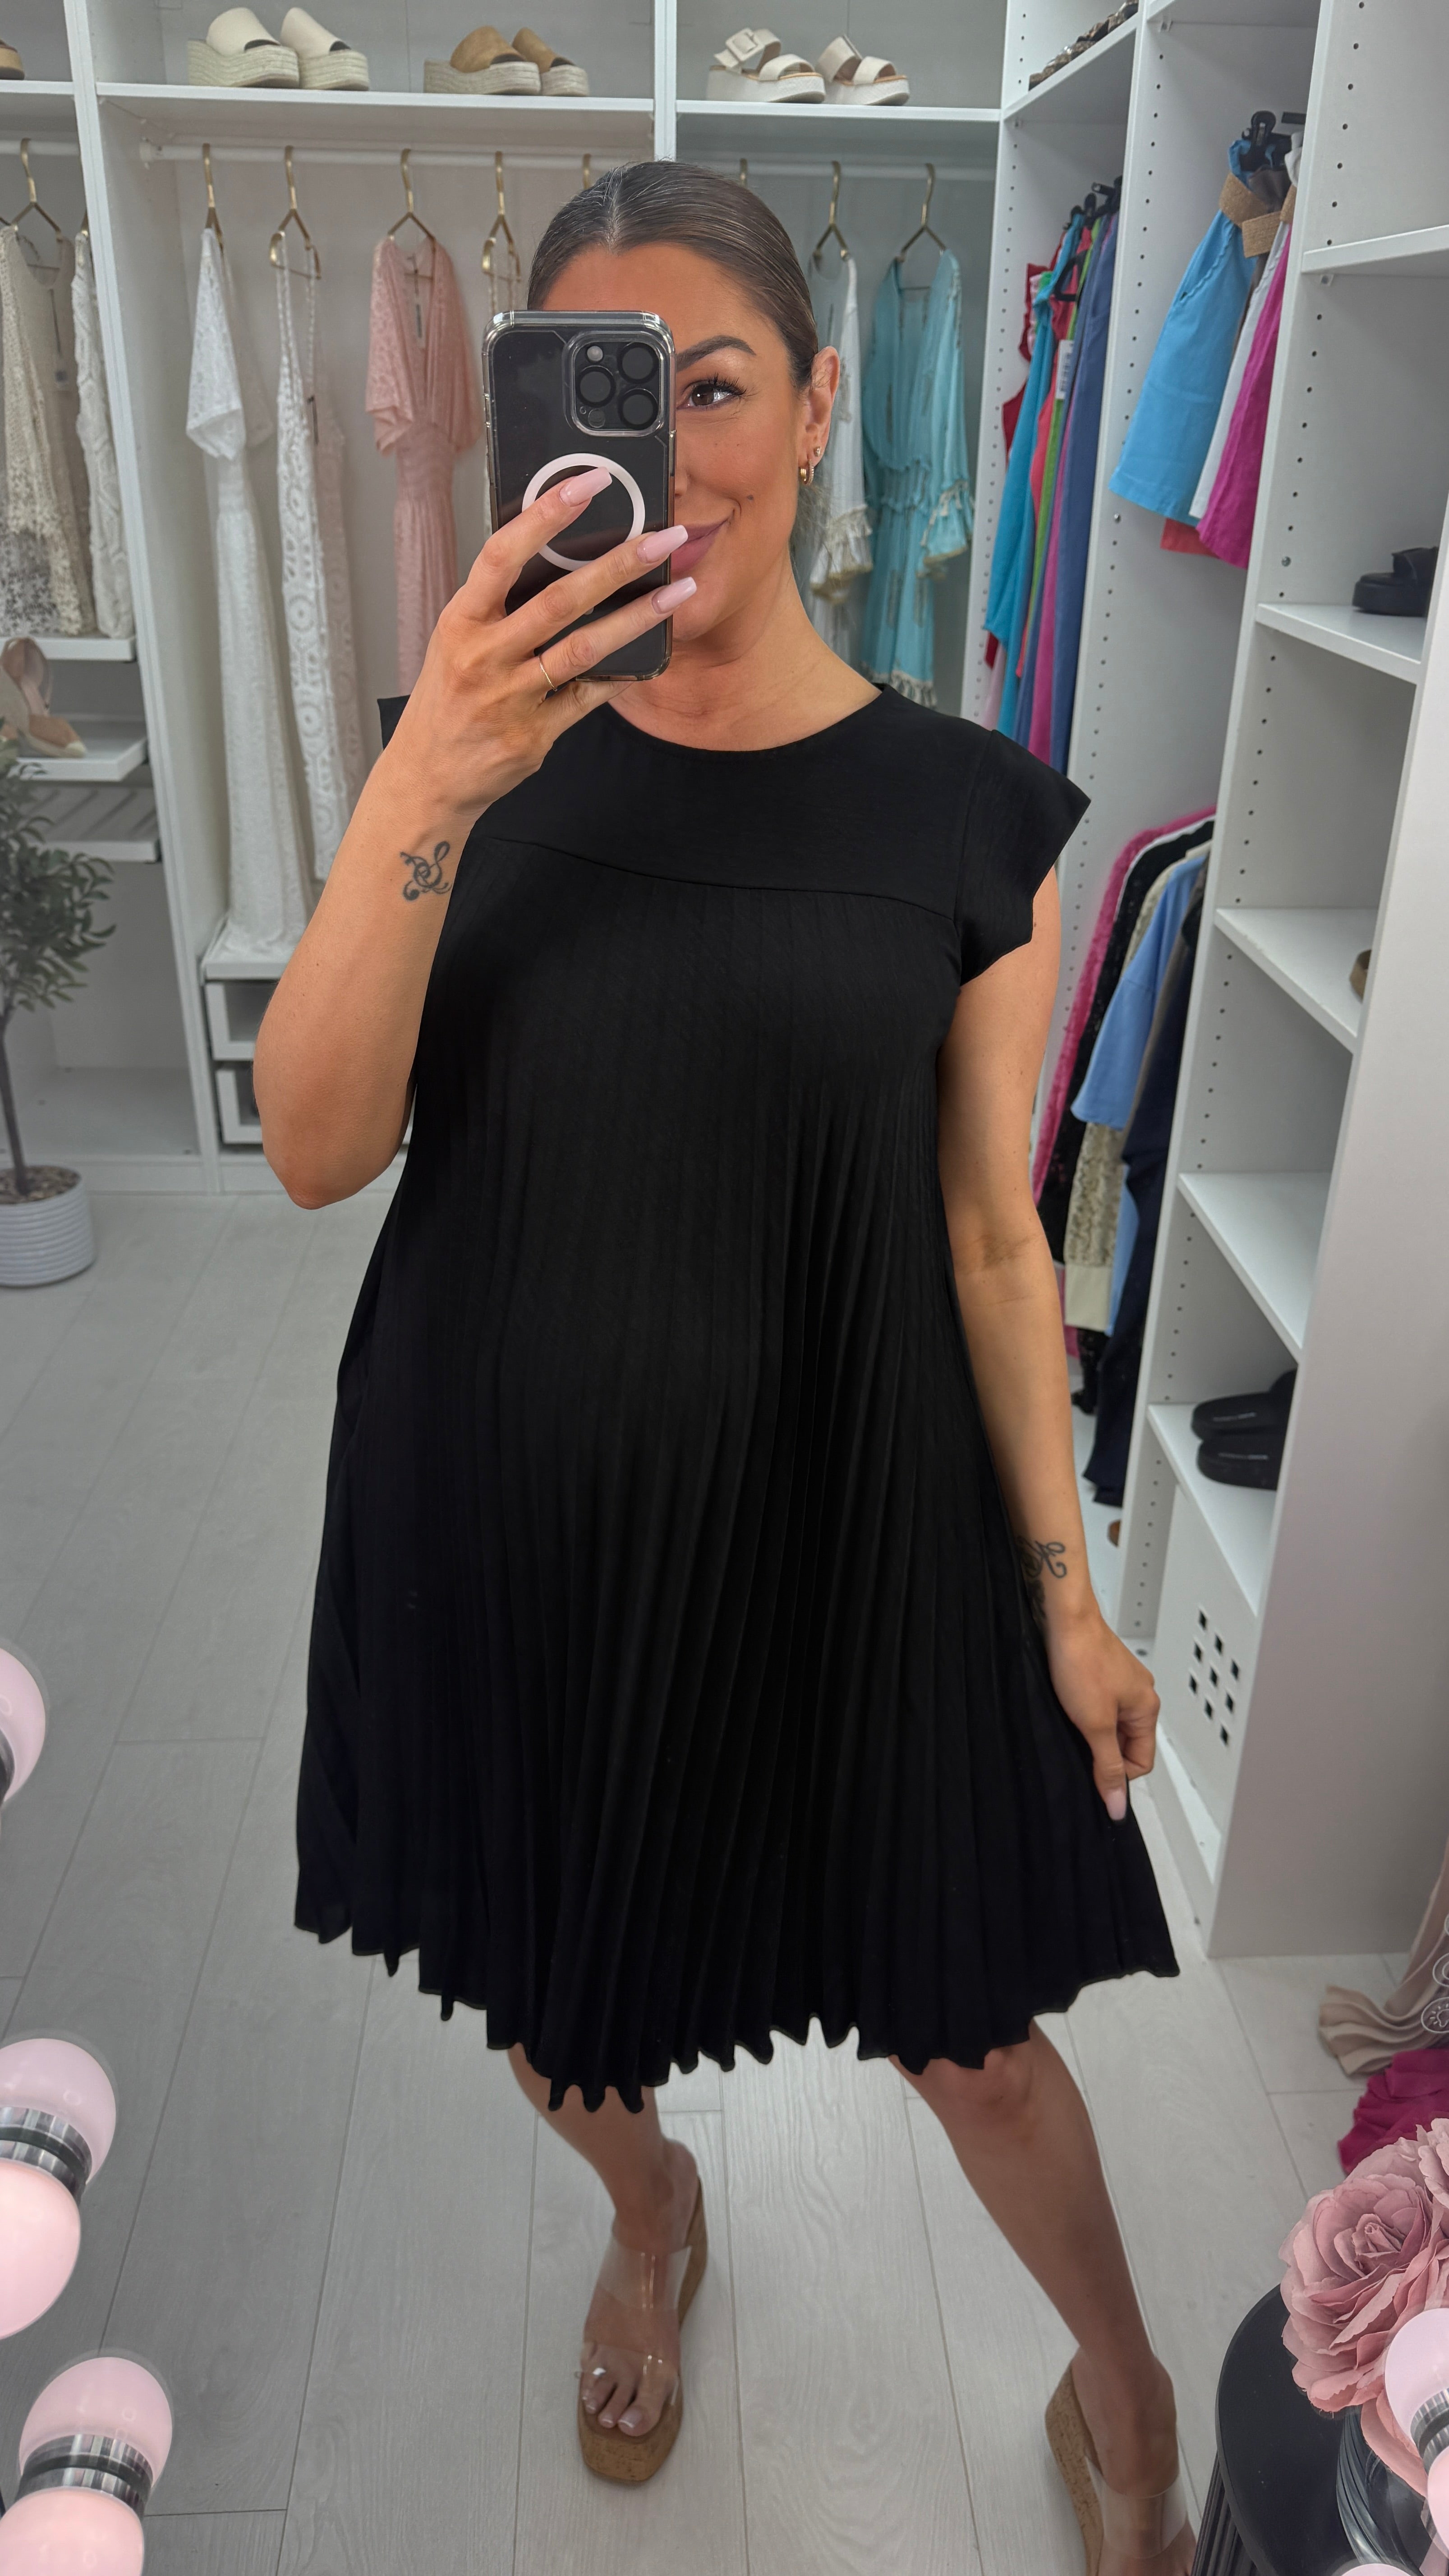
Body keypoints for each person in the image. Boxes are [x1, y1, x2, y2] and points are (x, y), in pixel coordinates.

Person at [254, 162, 1192, 2570]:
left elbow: (993, 1236)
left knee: (977, 2038)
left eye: (718, 385)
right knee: (552, 1995)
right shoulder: (468, 756)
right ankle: (650, 2206)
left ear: (817, 410)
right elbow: (319, 1148)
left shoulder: (969, 816)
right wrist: (431, 778)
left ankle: (1124, 2386)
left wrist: (1071, 1598)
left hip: (854, 1519)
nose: (666, 449)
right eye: (606, 394)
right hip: (508, 1512)